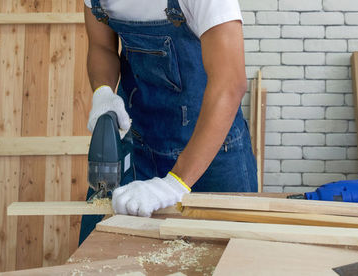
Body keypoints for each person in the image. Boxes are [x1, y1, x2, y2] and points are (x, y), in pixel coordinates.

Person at [79, 0, 255, 243]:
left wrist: (174, 183)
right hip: (140, 148)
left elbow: (230, 84)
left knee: (230, 256)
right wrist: (103, 92)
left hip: (213, 155)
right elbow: (101, 47)